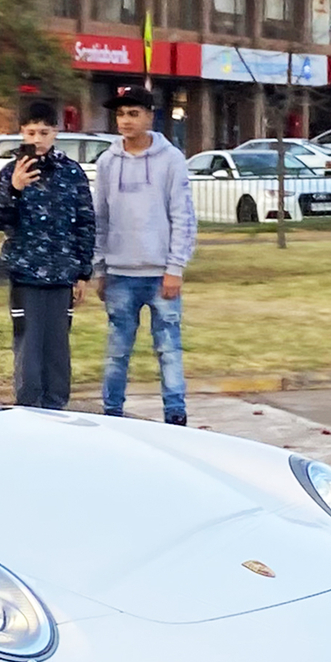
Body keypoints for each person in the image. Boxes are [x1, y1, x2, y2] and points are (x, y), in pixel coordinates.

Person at [93, 85, 196, 425]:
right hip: (120, 273)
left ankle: (175, 414)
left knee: (168, 349)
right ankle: (112, 412)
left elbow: (182, 215)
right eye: (121, 114)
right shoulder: (108, 162)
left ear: (150, 117)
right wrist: (100, 268)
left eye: (133, 113)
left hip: (160, 273)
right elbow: (100, 218)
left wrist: (175, 267)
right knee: (117, 352)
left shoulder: (171, 160)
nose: (125, 120)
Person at [0, 101, 96, 409]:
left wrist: (82, 272)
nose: (38, 139)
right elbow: (0, 222)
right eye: (31, 132)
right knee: (28, 344)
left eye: (44, 132)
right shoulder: (12, 172)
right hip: (25, 273)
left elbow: (86, 223)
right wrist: (14, 190)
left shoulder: (71, 172)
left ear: (56, 133)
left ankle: (56, 403)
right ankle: (29, 403)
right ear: (22, 133)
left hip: (62, 274)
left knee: (57, 345)